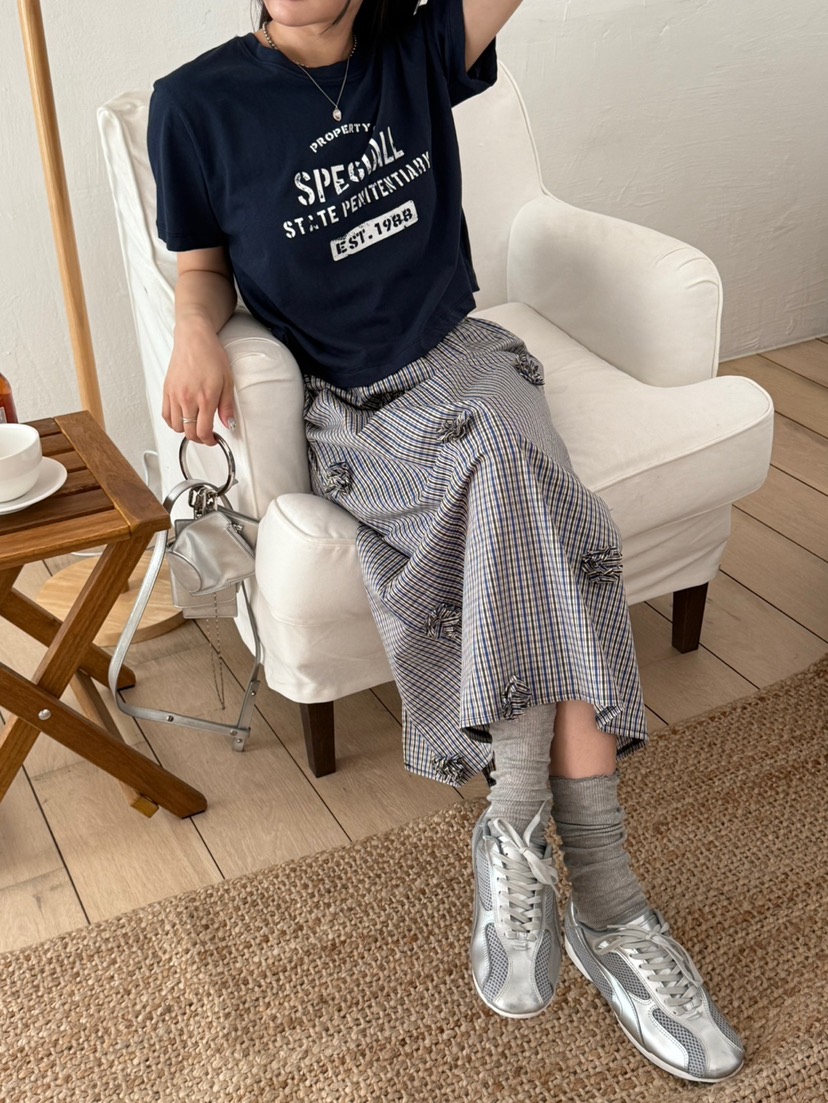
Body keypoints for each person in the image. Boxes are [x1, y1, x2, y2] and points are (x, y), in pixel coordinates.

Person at [148, 0, 745, 1083]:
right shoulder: (195, 103)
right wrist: (196, 328)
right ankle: (609, 905)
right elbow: (200, 266)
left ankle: (518, 830)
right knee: (541, 512)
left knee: (508, 466)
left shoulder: (417, 48)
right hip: (351, 409)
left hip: (465, 358)